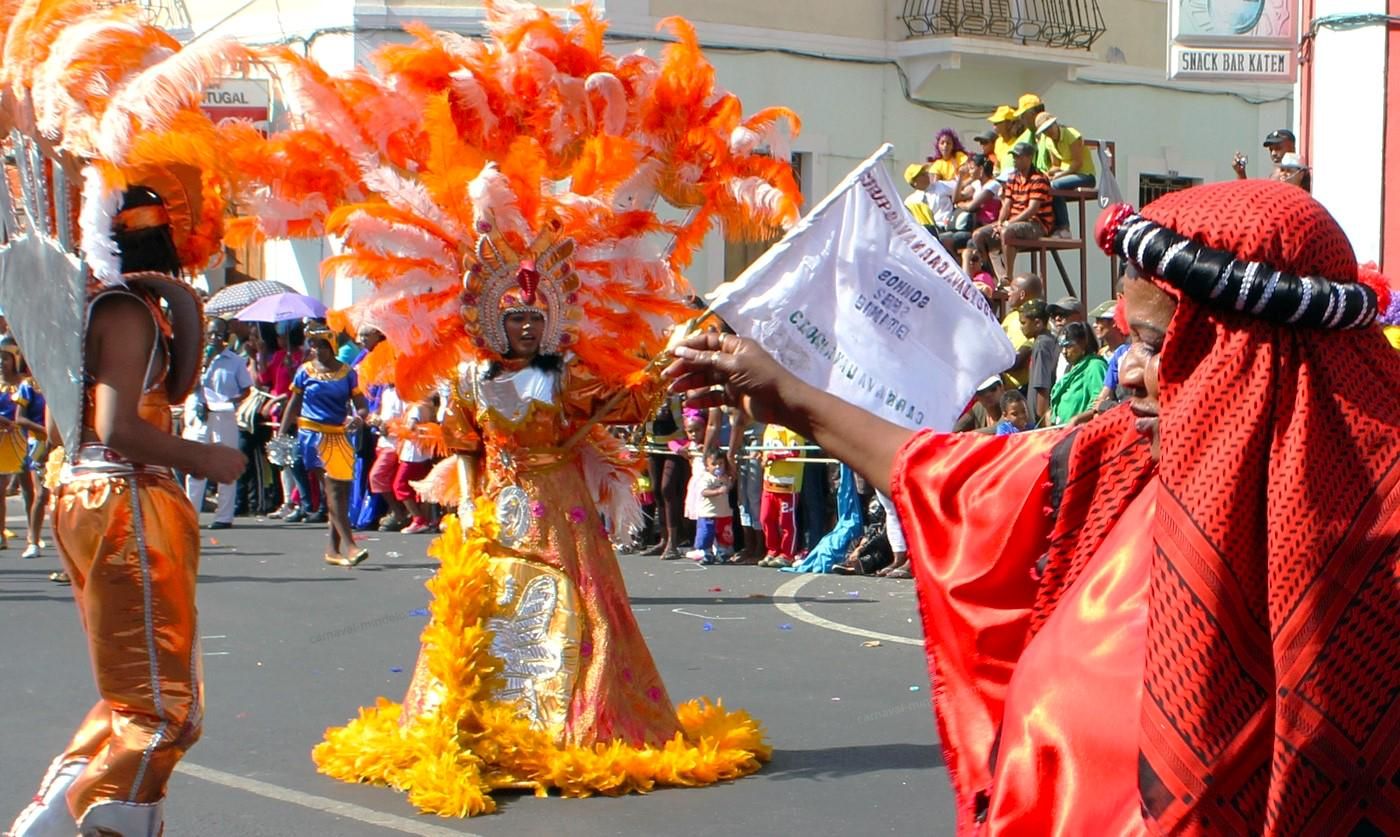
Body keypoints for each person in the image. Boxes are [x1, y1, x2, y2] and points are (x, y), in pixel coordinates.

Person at [664, 177, 1400, 833]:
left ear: (1245, 351)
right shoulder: (1120, 458)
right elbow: (950, 474)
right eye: (1125, 342)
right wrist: (784, 392)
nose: (1129, 372)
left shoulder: (1380, 546)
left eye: (1151, 343)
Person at [9, 186, 246, 837]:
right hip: (124, 502)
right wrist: (205, 458)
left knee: (134, 702)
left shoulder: (118, 308)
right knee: (165, 711)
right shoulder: (123, 312)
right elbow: (116, 426)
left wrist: (181, 302)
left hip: (103, 499)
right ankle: (97, 823)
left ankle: (53, 818)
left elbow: (172, 387)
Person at [277, 321, 371, 566]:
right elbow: (293, 404)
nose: (317, 350)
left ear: (331, 346)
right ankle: (350, 546)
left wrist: (359, 418)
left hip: (339, 434)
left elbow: (362, 405)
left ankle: (332, 549)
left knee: (340, 492)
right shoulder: (305, 372)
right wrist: (282, 432)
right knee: (332, 491)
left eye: (321, 346)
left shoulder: (347, 373)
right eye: (313, 346)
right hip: (312, 434)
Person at [182, 317, 252, 529]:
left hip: (223, 414)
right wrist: (203, 365)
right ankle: (191, 514)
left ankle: (224, 516)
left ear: (226, 337)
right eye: (211, 334)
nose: (214, 338)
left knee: (225, 461)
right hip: (200, 414)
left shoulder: (235, 361)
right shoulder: (196, 358)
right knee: (196, 463)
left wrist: (231, 400)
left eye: (219, 334)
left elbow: (246, 389)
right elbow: (186, 384)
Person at [969, 142, 1054, 282]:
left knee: (1007, 232)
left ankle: (1008, 276)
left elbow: (1032, 210)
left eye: (1018, 157)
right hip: (1013, 222)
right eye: (1014, 156)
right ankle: (995, 275)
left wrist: (1006, 224)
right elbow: (1007, 204)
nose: (1015, 160)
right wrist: (1000, 222)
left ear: (1028, 158)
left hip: (1037, 224)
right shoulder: (1012, 177)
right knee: (978, 235)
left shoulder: (1039, 179)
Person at [1033, 112, 1096, 238]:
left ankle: (1064, 228)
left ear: (1056, 124)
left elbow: (1078, 163)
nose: (1048, 131)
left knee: (1055, 185)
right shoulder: (1048, 141)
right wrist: (1047, 174)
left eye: (1050, 126)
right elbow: (1056, 165)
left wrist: (1059, 175)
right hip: (1066, 175)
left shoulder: (1071, 134)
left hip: (1085, 175)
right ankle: (1051, 226)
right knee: (1043, 184)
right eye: (1044, 130)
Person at [0, 338, 38, 549]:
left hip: (23, 440)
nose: (1, 362)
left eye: (5, 358)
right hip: (1, 441)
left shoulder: (25, 385)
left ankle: (33, 532)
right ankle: (0, 534)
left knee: (28, 488)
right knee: (0, 488)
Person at [757, 422, 804, 567]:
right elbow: (766, 450)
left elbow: (794, 451)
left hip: (788, 484)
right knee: (765, 518)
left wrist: (773, 455)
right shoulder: (769, 428)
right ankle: (772, 551)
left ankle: (787, 554)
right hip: (769, 483)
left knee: (786, 522)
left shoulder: (793, 426)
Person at [1048, 321, 1107, 425]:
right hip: (1062, 431)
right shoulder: (1071, 368)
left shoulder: (1095, 366)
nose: (1064, 351)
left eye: (1069, 346)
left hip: (1082, 432)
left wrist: (1077, 420)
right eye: (1062, 346)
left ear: (1083, 343)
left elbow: (1100, 403)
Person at [687, 448, 733, 564]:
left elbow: (729, 486)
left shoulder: (725, 477)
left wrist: (728, 484)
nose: (717, 467)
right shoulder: (706, 478)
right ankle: (706, 553)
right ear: (707, 466)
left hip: (723, 513)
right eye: (714, 464)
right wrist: (718, 491)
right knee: (706, 534)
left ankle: (722, 553)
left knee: (723, 535)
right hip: (708, 513)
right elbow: (704, 492)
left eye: (720, 463)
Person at [1019, 299, 1059, 426]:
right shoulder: (1047, 340)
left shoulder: (1042, 344)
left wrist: (1041, 422)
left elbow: (1042, 385)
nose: (1021, 327)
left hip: (1038, 419)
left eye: (1023, 323)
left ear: (1037, 323)